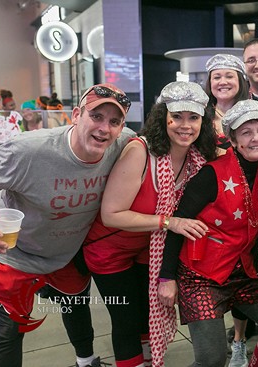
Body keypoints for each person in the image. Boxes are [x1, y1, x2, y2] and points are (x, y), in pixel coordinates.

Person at [0, 83, 135, 367]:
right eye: (96, 116)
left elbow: (162, 145)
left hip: (66, 251)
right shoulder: (29, 149)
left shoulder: (124, 144)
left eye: (114, 121)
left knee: (75, 306)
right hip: (15, 251)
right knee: (9, 328)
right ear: (76, 115)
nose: (104, 128)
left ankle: (86, 362)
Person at [83, 81, 217, 367]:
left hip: (150, 247)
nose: (186, 125)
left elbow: (234, 153)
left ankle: (146, 360)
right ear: (162, 117)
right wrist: (170, 221)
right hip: (109, 248)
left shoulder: (197, 157)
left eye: (193, 117)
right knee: (126, 320)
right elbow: (112, 214)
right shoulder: (140, 151)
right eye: (177, 116)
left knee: (147, 312)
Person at [158, 100, 258, 367]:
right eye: (246, 133)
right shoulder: (210, 175)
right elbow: (178, 226)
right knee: (211, 360)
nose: (256, 138)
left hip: (244, 272)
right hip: (200, 277)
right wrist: (167, 277)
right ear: (233, 141)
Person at [205, 53, 249, 152]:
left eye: (229, 77)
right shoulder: (200, 116)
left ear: (240, 81)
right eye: (217, 77)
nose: (223, 82)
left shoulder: (252, 113)